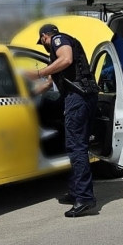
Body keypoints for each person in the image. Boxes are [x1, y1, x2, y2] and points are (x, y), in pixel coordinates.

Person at [23, 23, 100, 218]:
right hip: (82, 96)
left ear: (44, 37)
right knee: (74, 146)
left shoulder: (59, 39)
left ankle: (84, 198)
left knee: (76, 147)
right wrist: (26, 94)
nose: (45, 46)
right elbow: (49, 84)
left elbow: (66, 59)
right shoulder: (58, 52)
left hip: (78, 97)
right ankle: (76, 192)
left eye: (42, 42)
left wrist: (39, 72)